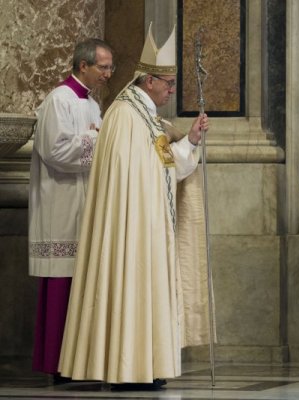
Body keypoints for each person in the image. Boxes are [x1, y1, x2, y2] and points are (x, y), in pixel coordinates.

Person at [58, 24, 213, 389]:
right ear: (149, 81)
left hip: (147, 222)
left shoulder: (144, 116)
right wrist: (181, 148)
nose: (171, 91)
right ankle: (129, 371)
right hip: (132, 226)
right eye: (168, 84)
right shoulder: (127, 115)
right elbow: (145, 170)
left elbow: (162, 165)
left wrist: (189, 140)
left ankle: (146, 366)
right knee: (132, 287)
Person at [28, 38, 114, 382]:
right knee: (62, 285)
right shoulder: (58, 100)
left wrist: (99, 134)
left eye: (110, 67)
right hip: (60, 207)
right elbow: (55, 151)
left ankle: (81, 362)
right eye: (103, 67)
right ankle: (59, 365)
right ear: (83, 66)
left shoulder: (92, 105)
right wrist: (97, 139)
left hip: (86, 203)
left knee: (83, 284)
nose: (108, 74)